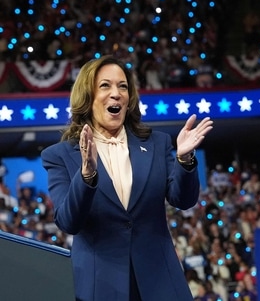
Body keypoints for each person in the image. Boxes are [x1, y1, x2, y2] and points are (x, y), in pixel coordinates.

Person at [41, 55, 213, 301]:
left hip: (160, 282)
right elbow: (69, 222)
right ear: (87, 96)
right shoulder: (59, 156)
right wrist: (87, 176)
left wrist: (184, 160)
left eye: (123, 86)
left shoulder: (157, 143)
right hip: (100, 287)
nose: (116, 93)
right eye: (105, 85)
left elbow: (183, 200)